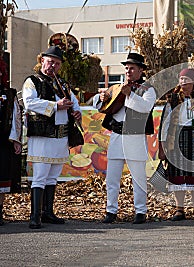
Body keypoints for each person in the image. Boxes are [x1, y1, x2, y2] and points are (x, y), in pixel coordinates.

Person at [22, 46, 82, 229]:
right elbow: (29, 102)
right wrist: (56, 105)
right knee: (40, 176)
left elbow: (74, 103)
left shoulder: (63, 84)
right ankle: (35, 216)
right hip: (42, 136)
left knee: (53, 176)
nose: (53, 66)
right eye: (50, 62)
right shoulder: (32, 81)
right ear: (42, 61)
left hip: (60, 137)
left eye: (56, 64)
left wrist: (77, 112)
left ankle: (48, 213)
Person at [93, 52, 156, 224]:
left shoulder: (148, 89)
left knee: (138, 177)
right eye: (126, 68)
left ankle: (140, 211)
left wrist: (131, 95)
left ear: (141, 70)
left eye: (132, 68)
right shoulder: (117, 87)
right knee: (112, 177)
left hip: (135, 137)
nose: (128, 71)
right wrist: (101, 98)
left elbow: (145, 107)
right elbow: (100, 105)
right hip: (117, 135)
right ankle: (111, 210)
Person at [158, 68, 194, 221]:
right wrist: (162, 146)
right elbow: (165, 123)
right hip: (178, 139)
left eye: (186, 79)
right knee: (178, 174)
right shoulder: (173, 99)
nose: (183, 82)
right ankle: (179, 209)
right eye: (181, 79)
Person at [0, 59, 22, 226]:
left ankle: (0, 212)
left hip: (3, 141)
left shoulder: (9, 94)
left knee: (2, 178)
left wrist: (15, 140)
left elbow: (15, 117)